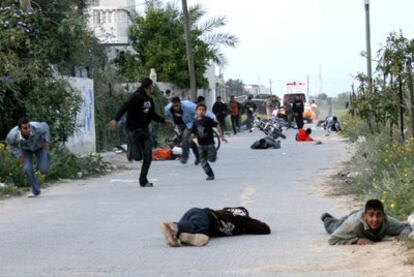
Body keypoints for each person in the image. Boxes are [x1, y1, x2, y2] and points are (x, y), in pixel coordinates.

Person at [109, 78, 173, 187]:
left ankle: (143, 180)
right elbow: (124, 107)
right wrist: (116, 119)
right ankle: (130, 149)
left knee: (148, 155)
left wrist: (164, 120)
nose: (153, 88)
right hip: (133, 130)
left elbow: (152, 115)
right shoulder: (136, 97)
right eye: (152, 86)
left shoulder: (150, 100)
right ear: (148, 86)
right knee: (137, 157)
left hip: (144, 129)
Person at [160, 206, 271, 247]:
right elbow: (265, 229)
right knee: (201, 230)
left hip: (196, 212)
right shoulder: (242, 218)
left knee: (199, 229)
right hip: (206, 217)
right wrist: (249, 221)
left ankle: (179, 235)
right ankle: (174, 227)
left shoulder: (226, 211)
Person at [321, 199, 413, 245]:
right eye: (371, 215)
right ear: (365, 216)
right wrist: (356, 240)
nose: (375, 219)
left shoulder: (387, 221)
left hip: (359, 214)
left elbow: (406, 227)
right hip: (349, 220)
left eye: (378, 215)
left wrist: (402, 236)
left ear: (384, 215)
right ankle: (326, 217)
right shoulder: (354, 225)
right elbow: (332, 239)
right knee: (332, 227)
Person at [6, 117, 50, 197]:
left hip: (40, 146)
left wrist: (46, 140)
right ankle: (36, 190)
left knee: (43, 169)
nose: (28, 129)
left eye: (29, 126)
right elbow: (10, 144)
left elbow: (45, 126)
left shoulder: (37, 127)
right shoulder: (12, 134)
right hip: (26, 150)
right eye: (25, 128)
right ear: (20, 129)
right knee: (27, 168)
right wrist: (19, 155)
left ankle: (46, 157)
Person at [191, 103, 227, 181]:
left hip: (210, 144)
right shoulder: (194, 122)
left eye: (203, 110)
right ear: (196, 111)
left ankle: (208, 155)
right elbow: (194, 133)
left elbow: (217, 125)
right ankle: (210, 175)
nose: (201, 111)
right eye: (199, 109)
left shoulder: (208, 120)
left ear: (205, 111)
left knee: (212, 159)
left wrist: (222, 136)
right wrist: (191, 138)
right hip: (201, 145)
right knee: (202, 161)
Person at [165, 97, 200, 165]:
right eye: (174, 106)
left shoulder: (188, 107)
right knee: (188, 141)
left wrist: (195, 131)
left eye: (177, 105)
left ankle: (184, 157)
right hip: (180, 125)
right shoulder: (168, 109)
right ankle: (198, 156)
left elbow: (197, 115)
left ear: (180, 103)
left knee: (185, 138)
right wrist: (171, 122)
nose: (176, 108)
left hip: (189, 123)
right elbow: (168, 116)